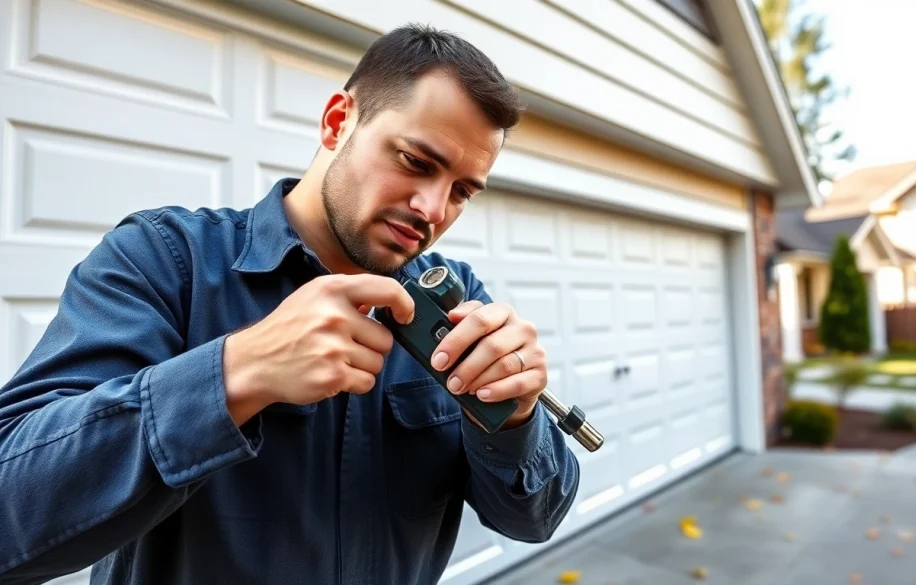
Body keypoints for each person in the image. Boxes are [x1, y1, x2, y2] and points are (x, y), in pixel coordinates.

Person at [0, 23, 580, 585]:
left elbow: (534, 519)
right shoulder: (165, 261)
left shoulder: (455, 299)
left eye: (461, 192)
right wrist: (235, 374)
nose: (432, 208)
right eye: (415, 162)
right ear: (337, 122)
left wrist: (517, 414)